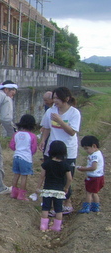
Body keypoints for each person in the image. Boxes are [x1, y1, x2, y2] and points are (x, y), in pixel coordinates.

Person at [39, 86, 81, 214]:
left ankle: (67, 201)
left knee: (65, 177)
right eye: (54, 98)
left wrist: (60, 121)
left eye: (57, 98)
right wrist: (43, 140)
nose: (55, 100)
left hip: (68, 150)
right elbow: (46, 128)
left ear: (66, 99)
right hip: (52, 149)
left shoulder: (74, 113)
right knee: (51, 175)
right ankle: (51, 204)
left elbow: (72, 132)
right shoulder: (50, 111)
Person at [37, 141, 72, 232]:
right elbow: (69, 179)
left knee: (45, 208)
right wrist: (66, 187)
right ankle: (57, 227)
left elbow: (42, 176)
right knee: (58, 209)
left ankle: (43, 226)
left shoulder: (47, 163)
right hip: (59, 191)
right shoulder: (65, 165)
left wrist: (38, 187)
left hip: (47, 190)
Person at [9, 114, 38, 200]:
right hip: (25, 158)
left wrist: (17, 149)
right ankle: (21, 195)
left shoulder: (16, 134)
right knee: (24, 176)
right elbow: (34, 148)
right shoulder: (32, 136)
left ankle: (13, 192)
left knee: (16, 174)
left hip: (16, 157)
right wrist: (30, 153)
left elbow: (12, 145)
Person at [76, 135, 105, 214]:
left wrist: (83, 169)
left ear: (94, 146)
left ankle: (86, 207)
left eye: (87, 148)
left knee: (89, 192)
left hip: (93, 178)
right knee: (94, 192)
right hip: (99, 177)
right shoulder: (98, 153)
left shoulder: (94, 156)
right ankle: (96, 207)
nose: (86, 151)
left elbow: (93, 167)